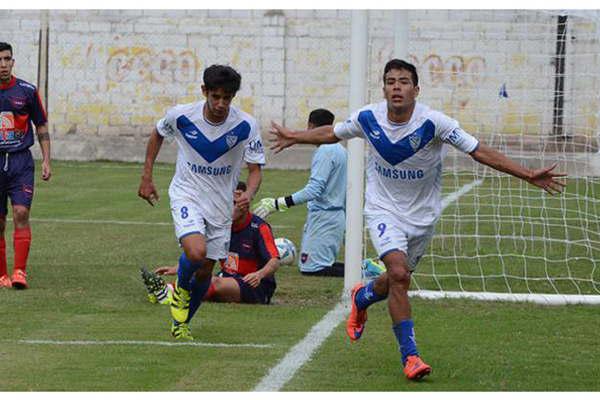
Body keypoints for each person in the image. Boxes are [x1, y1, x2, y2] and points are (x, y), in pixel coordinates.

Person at [269, 59, 566, 380]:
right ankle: (410, 357)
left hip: (422, 216)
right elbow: (334, 132)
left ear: (416, 89)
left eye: (404, 81)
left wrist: (526, 174)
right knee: (398, 273)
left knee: (399, 277)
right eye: (391, 81)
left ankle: (364, 295)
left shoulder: (435, 122)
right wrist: (296, 136)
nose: (397, 86)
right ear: (384, 88)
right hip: (383, 209)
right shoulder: (368, 118)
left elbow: (479, 151)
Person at [137, 64, 265, 340]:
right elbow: (158, 133)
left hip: (220, 205)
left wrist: (248, 194)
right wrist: (146, 176)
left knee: (206, 269)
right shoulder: (182, 116)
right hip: (187, 194)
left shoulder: (246, 126)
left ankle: (181, 324)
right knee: (195, 253)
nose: (221, 104)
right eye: (215, 96)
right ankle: (180, 290)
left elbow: (255, 170)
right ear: (204, 91)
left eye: (227, 98)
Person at [142, 182, 280, 305]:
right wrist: (178, 267)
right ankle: (166, 291)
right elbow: (201, 251)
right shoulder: (220, 225)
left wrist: (259, 275)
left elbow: (274, 261)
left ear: (245, 205)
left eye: (232, 204)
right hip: (228, 278)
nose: (226, 208)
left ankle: (167, 293)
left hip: (255, 286)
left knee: (213, 282)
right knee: (199, 275)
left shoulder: (259, 227)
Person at [254, 109, 347, 277]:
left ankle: (364, 269)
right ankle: (360, 268)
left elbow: (314, 190)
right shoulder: (340, 149)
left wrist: (277, 204)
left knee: (313, 269)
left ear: (310, 126)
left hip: (325, 217)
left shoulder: (326, 150)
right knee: (320, 266)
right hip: (334, 216)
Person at [0, 42, 51, 289]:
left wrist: (47, 160)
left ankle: (20, 272)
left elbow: (41, 125)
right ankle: (1, 275)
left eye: (7, 59)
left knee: (21, 213)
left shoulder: (27, 91)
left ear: (13, 61)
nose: (3, 65)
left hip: (20, 161)